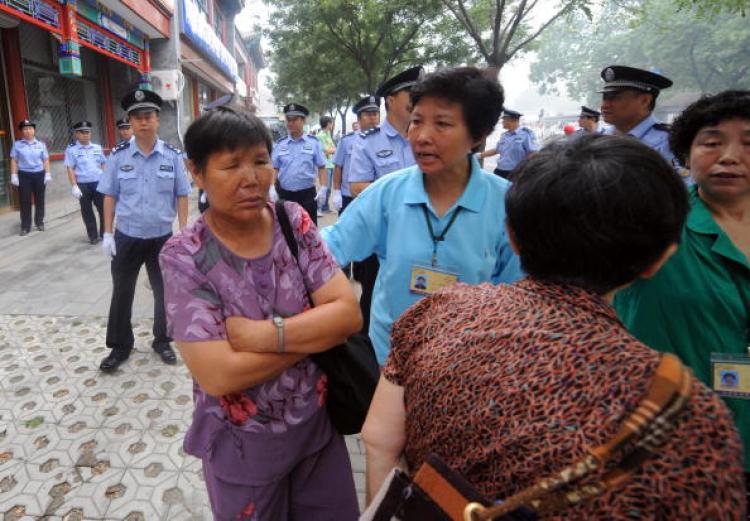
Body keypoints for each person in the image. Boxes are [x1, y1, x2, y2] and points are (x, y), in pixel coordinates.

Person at [363, 135, 745, 518]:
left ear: (512, 237)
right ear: (659, 260)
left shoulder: (434, 313)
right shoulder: (688, 416)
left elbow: (380, 443)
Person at [159, 107, 361, 520]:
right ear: (195, 172)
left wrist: (261, 336)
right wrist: (314, 333)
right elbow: (219, 374)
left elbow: (347, 316)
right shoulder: (184, 256)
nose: (251, 178)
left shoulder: (293, 221)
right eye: (231, 165)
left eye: (260, 161)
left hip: (317, 432)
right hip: (242, 448)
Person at [321, 66, 523, 365]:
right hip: (389, 362)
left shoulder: (507, 205)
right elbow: (327, 249)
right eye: (416, 121)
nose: (422, 136)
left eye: (442, 124)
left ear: (478, 134)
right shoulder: (387, 193)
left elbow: (518, 297)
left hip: (464, 368)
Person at [614, 90, 750, 510]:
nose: (729, 156)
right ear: (686, 154)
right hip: (665, 444)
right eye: (711, 142)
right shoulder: (650, 224)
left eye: (749, 143)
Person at [96, 89, 191, 373]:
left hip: (162, 236)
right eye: (137, 117)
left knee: (165, 292)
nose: (143, 122)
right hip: (127, 235)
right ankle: (120, 346)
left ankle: (163, 341)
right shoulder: (118, 156)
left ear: (157, 119)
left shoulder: (173, 156)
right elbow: (109, 195)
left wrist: (183, 231)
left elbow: (182, 194)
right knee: (122, 291)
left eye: (148, 116)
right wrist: (107, 233)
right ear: (131, 122)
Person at [347, 66, 422, 332]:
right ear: (391, 99)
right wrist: (402, 196)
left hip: (422, 233)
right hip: (381, 235)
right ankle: (370, 361)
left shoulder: (424, 136)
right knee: (374, 298)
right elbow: (356, 185)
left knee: (419, 297)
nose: (418, 96)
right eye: (411, 92)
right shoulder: (369, 141)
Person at [598, 65, 687, 182]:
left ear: (645, 100)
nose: (604, 105)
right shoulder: (599, 138)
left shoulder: (670, 142)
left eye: (615, 97)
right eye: (605, 97)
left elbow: (683, 190)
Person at [271, 103, 327, 226]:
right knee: (286, 230)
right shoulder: (280, 144)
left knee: (309, 231)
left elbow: (322, 167)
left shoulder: (314, 143)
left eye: (295, 119)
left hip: (306, 194)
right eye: (288, 119)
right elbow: (274, 168)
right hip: (285, 194)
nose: (290, 123)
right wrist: (271, 187)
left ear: (303, 120)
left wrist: (323, 187)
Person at [331, 95, 381, 213]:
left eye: (375, 114)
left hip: (377, 197)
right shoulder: (347, 141)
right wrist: (337, 191)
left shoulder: (386, 140)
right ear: (359, 119)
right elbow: (338, 167)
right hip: (350, 196)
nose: (373, 118)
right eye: (368, 115)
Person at [65, 120, 106, 244]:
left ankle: (105, 233)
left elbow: (103, 163)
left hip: (98, 183)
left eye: (87, 132)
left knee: (103, 209)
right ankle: (93, 236)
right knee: (87, 211)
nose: (85, 135)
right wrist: (74, 185)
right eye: (82, 132)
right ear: (76, 134)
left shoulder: (97, 147)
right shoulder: (71, 150)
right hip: (83, 184)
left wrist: (106, 179)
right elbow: (70, 167)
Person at [9, 119, 51, 235]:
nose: (28, 131)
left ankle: (39, 222)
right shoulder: (17, 145)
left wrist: (47, 173)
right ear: (22, 131)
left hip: (39, 174)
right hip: (24, 175)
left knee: (40, 200)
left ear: (34, 130)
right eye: (25, 129)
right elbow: (14, 160)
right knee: (24, 201)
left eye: (30, 128)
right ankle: (25, 226)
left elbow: (46, 160)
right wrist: (14, 175)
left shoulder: (41, 145)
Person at [478, 109, 539, 179]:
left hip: (515, 172)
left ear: (512, 120)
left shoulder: (526, 134)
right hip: (500, 171)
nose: (502, 122)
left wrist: (523, 170)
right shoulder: (504, 135)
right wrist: (478, 155)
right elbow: (497, 150)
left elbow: (533, 153)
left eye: (504, 120)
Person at [317, 115, 336, 213]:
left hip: (331, 164)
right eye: (331, 123)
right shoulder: (320, 136)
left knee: (329, 188)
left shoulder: (328, 134)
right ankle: (318, 207)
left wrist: (331, 150)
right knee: (325, 187)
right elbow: (324, 151)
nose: (332, 125)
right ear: (328, 124)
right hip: (324, 165)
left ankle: (325, 207)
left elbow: (333, 148)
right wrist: (331, 150)